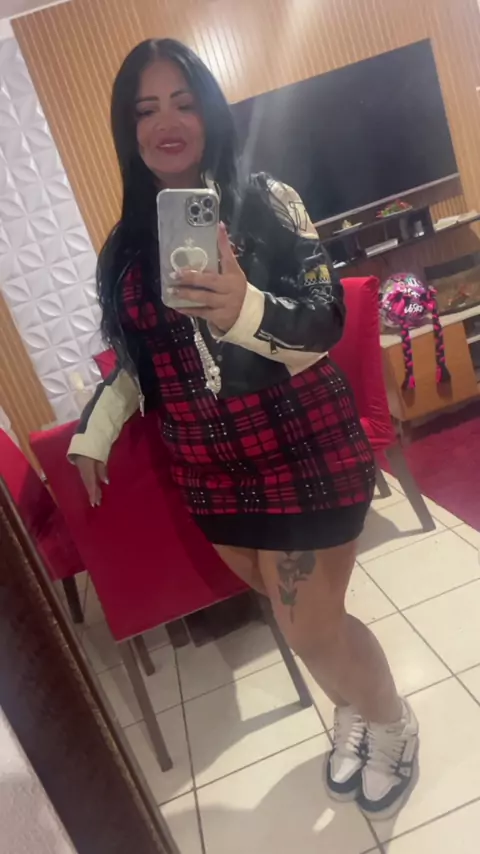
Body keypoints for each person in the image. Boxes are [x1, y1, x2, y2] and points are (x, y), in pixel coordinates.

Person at [69, 38, 418, 818]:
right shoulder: (125, 248)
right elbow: (139, 360)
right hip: (210, 474)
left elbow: (325, 320)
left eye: (183, 102)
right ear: (128, 130)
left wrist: (244, 308)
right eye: (146, 109)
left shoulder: (265, 199)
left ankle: (392, 722)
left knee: (310, 626)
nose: (166, 122)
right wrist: (96, 429)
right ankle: (354, 706)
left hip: (300, 448)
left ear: (210, 111)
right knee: (306, 624)